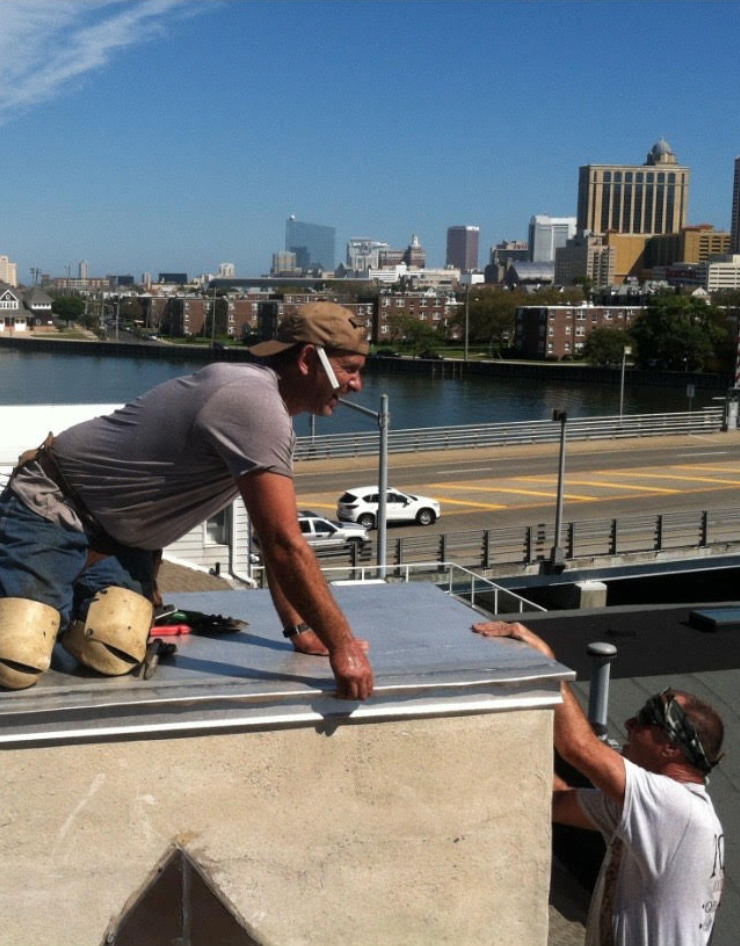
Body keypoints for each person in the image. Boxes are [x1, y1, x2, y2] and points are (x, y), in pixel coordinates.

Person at [0, 302, 374, 701]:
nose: (356, 385)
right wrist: (343, 645)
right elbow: (285, 544)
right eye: (349, 369)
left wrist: (300, 629)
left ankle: (54, 599)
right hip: (55, 508)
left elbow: (272, 537)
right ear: (306, 359)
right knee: (16, 652)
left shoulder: (266, 410)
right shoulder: (253, 402)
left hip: (121, 544)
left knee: (111, 647)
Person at [472, 619, 725, 946]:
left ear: (672, 747)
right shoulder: (648, 813)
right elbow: (556, 800)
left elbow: (578, 748)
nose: (629, 724)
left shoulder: (678, 809)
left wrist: (548, 667)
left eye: (646, 719)